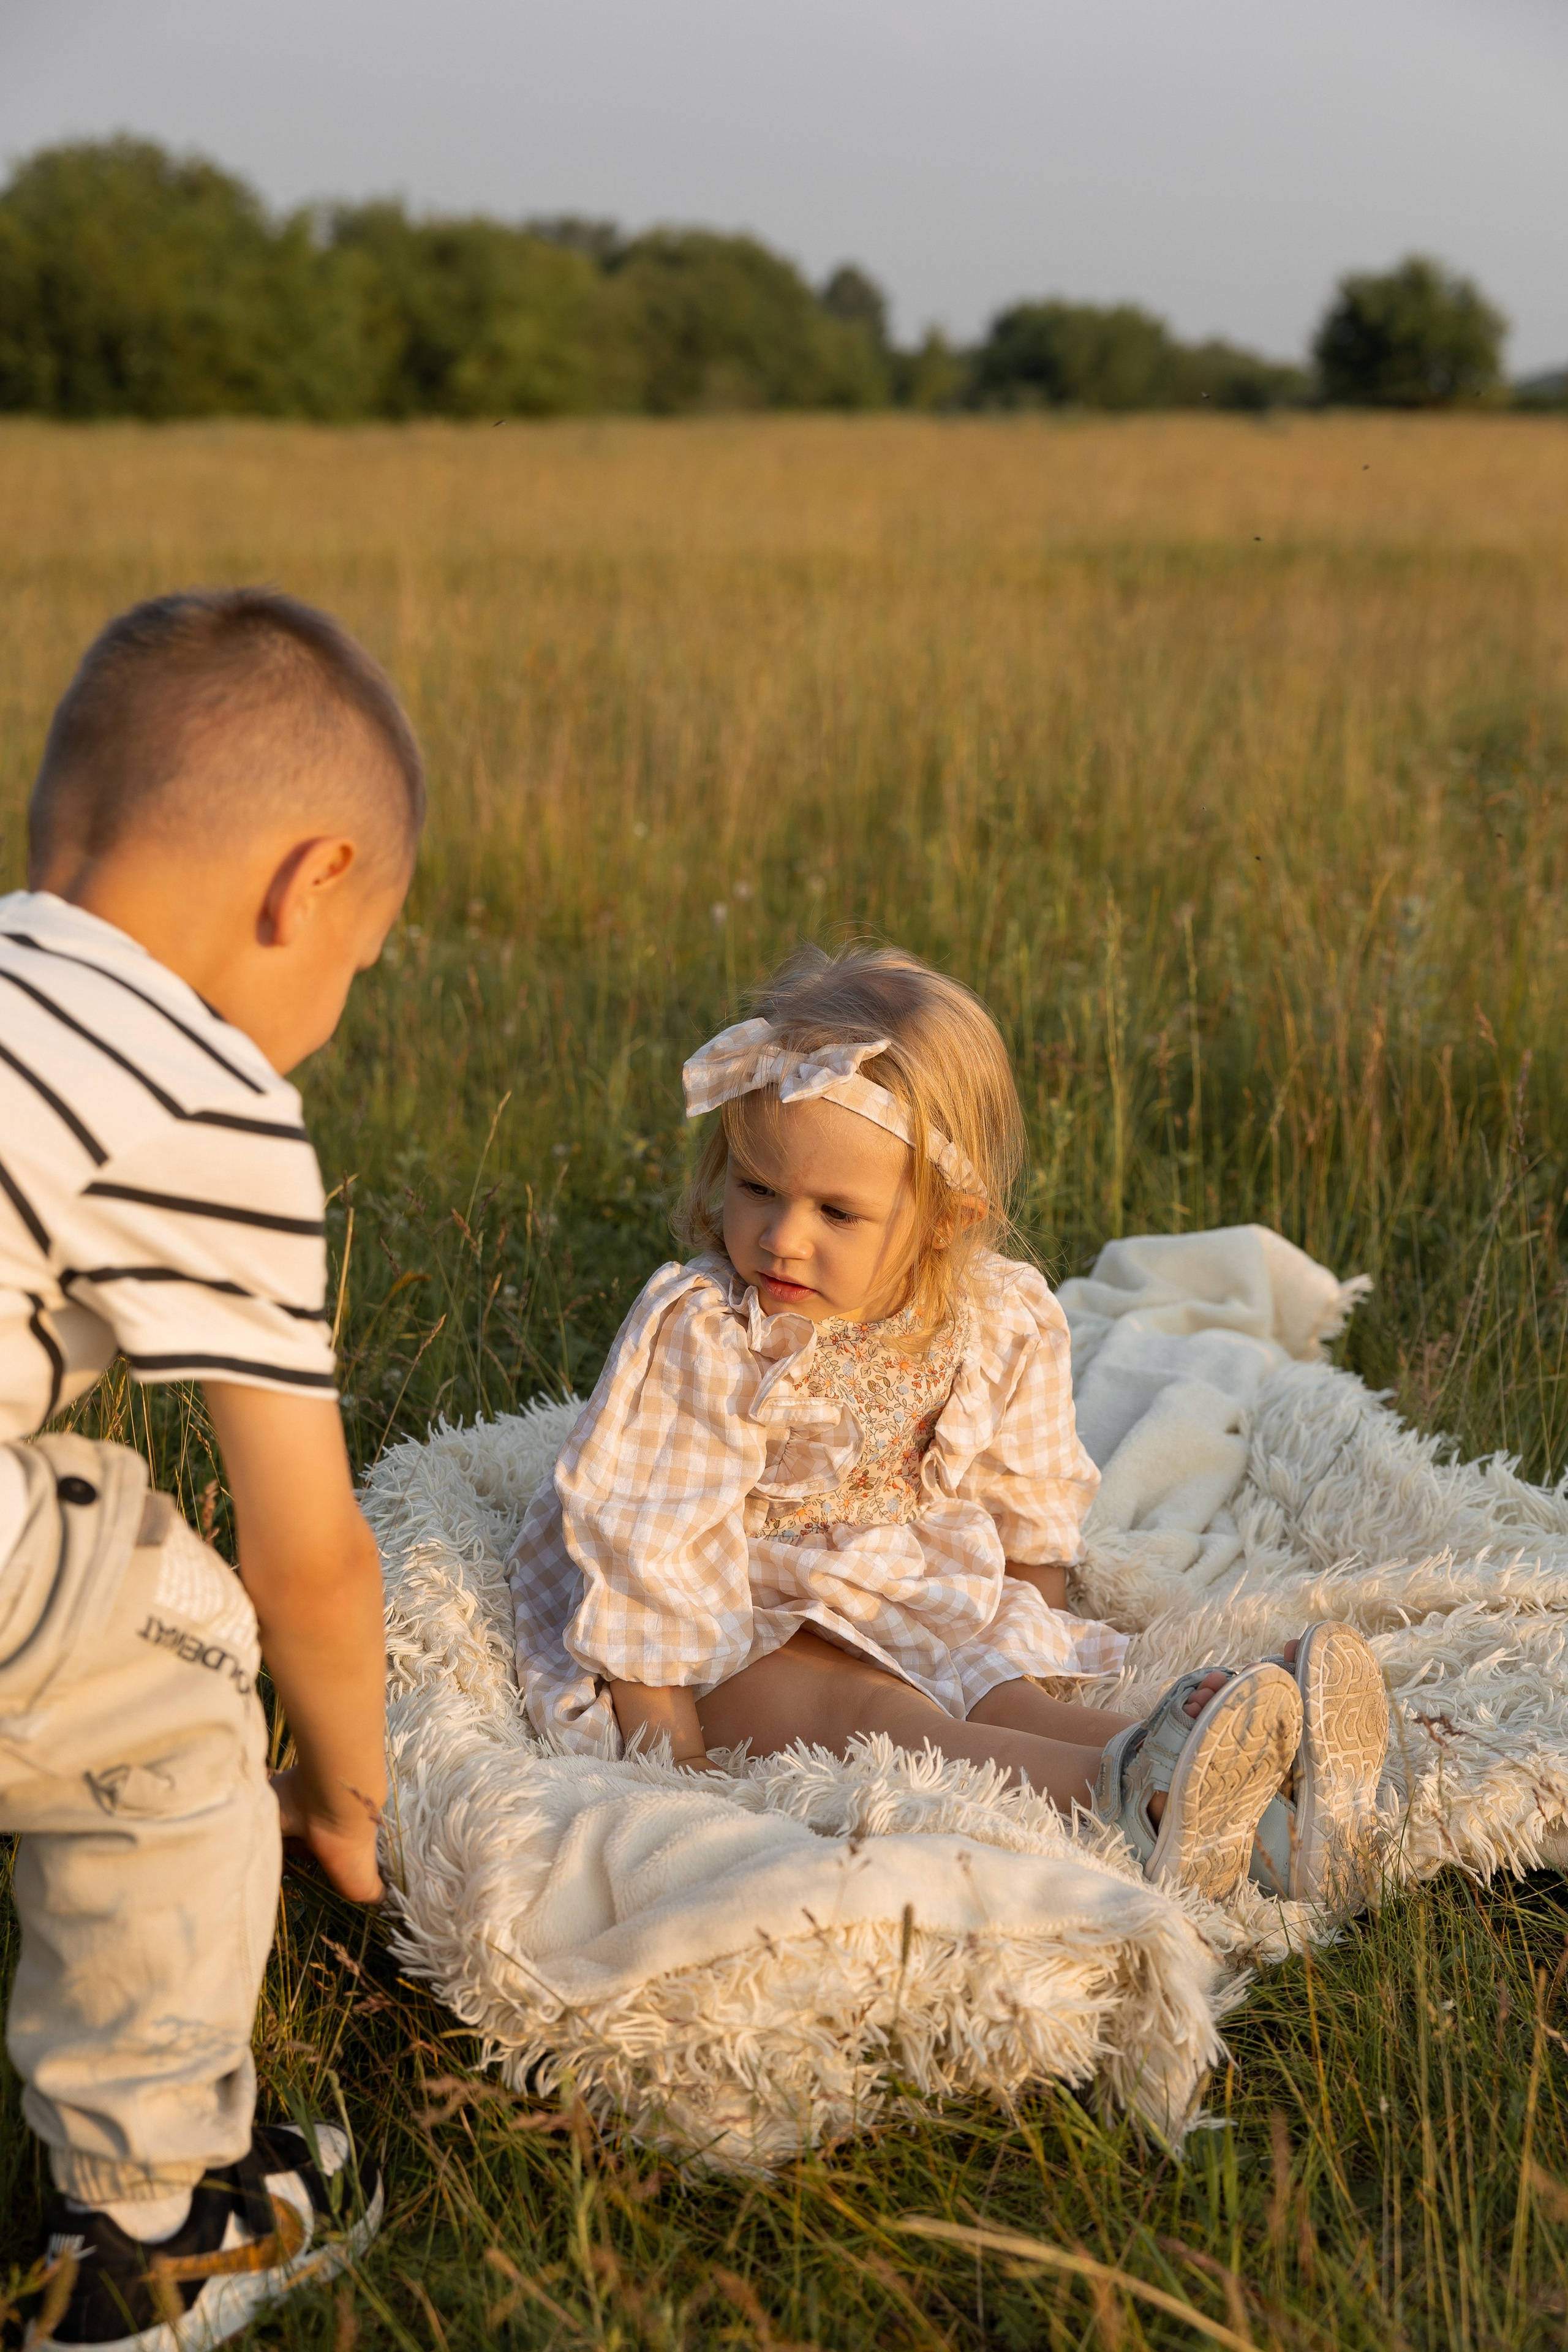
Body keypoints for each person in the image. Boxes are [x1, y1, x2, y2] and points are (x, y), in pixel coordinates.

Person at [509, 944, 1389, 1906]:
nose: (781, 1237)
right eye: (757, 1188)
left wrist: (1025, 1639)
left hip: (898, 1592)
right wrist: (671, 1760)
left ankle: (1270, 1812)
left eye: (836, 1212)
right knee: (882, 1717)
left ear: (943, 1220)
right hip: (734, 1630)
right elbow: (648, 1543)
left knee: (997, 1697)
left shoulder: (991, 1315)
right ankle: (1125, 1793)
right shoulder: (710, 1334)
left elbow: (1025, 1488)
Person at [1, 589, 417, 2348]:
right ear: (308, 886)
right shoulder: (200, 1086)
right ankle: (153, 2218)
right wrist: (343, 1793)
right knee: (165, 1641)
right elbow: (305, 1556)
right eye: (357, 968)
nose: (327, 1012)